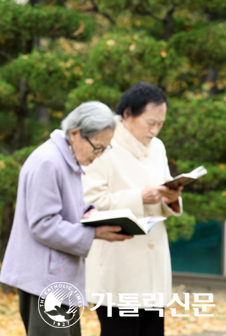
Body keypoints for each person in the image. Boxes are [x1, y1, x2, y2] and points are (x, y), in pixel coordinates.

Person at [0, 101, 132, 336]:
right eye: (97, 147)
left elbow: (65, 208)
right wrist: (94, 232)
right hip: (43, 280)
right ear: (75, 134)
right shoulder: (49, 162)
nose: (99, 155)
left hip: (57, 278)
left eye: (105, 149)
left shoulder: (66, 159)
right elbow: (43, 224)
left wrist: (90, 214)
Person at [82, 82, 183, 336]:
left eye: (161, 123)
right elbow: (90, 201)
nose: (156, 129)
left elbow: (159, 197)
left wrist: (170, 198)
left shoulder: (157, 147)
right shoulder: (101, 144)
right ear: (127, 114)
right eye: (151, 122)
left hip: (153, 265)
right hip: (118, 265)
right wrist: (140, 197)